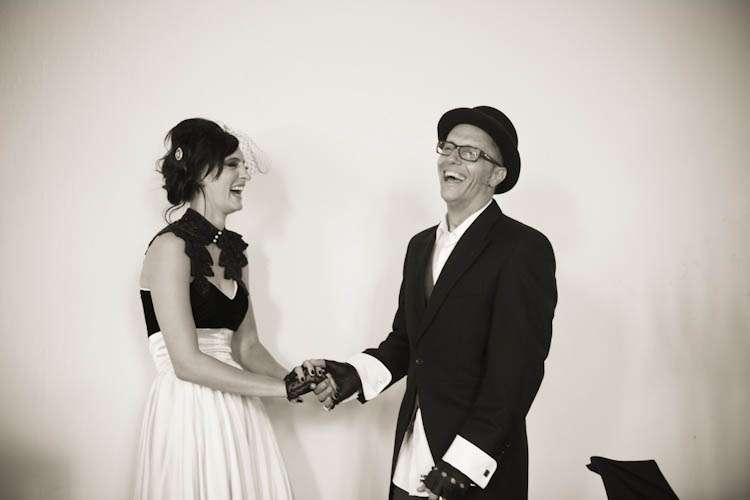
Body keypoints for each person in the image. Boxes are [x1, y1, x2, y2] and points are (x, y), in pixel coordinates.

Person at [301, 106, 558, 499]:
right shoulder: (419, 246)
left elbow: (516, 374)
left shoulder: (523, 248)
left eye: (470, 153)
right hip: (412, 454)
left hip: (470, 468)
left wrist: (464, 464)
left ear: (497, 175)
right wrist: (351, 375)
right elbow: (406, 343)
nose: (452, 159)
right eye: (448, 147)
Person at [133, 118, 317, 500]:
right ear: (201, 172)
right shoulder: (169, 249)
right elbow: (186, 362)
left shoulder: (237, 253)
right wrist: (279, 390)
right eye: (233, 164)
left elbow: (247, 346)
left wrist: (296, 381)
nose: (245, 175)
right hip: (188, 409)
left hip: (238, 408)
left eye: (243, 166)